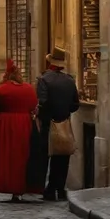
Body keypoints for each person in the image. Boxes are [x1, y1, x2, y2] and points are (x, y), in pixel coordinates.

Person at [0, 59, 42, 202]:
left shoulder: (2, 90)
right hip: (25, 123)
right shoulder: (29, 88)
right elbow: (34, 105)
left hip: (7, 124)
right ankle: (23, 186)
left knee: (9, 155)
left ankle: (12, 187)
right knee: (23, 154)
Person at [37, 47, 80, 201]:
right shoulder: (69, 80)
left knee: (45, 157)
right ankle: (60, 189)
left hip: (49, 123)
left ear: (49, 62)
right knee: (62, 157)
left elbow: (43, 102)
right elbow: (76, 104)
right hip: (65, 122)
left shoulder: (44, 80)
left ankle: (47, 189)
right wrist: (64, 111)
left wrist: (44, 116)